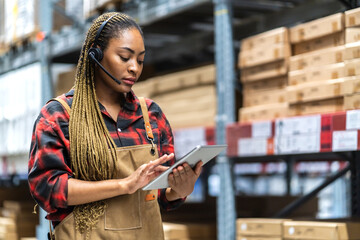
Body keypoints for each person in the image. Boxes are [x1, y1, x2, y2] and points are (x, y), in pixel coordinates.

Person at [28, 12, 203, 240]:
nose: (134, 68)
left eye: (140, 60)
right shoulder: (59, 115)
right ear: (95, 53)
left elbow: (160, 198)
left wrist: (180, 190)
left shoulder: (151, 115)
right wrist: (124, 185)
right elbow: (47, 189)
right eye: (124, 57)